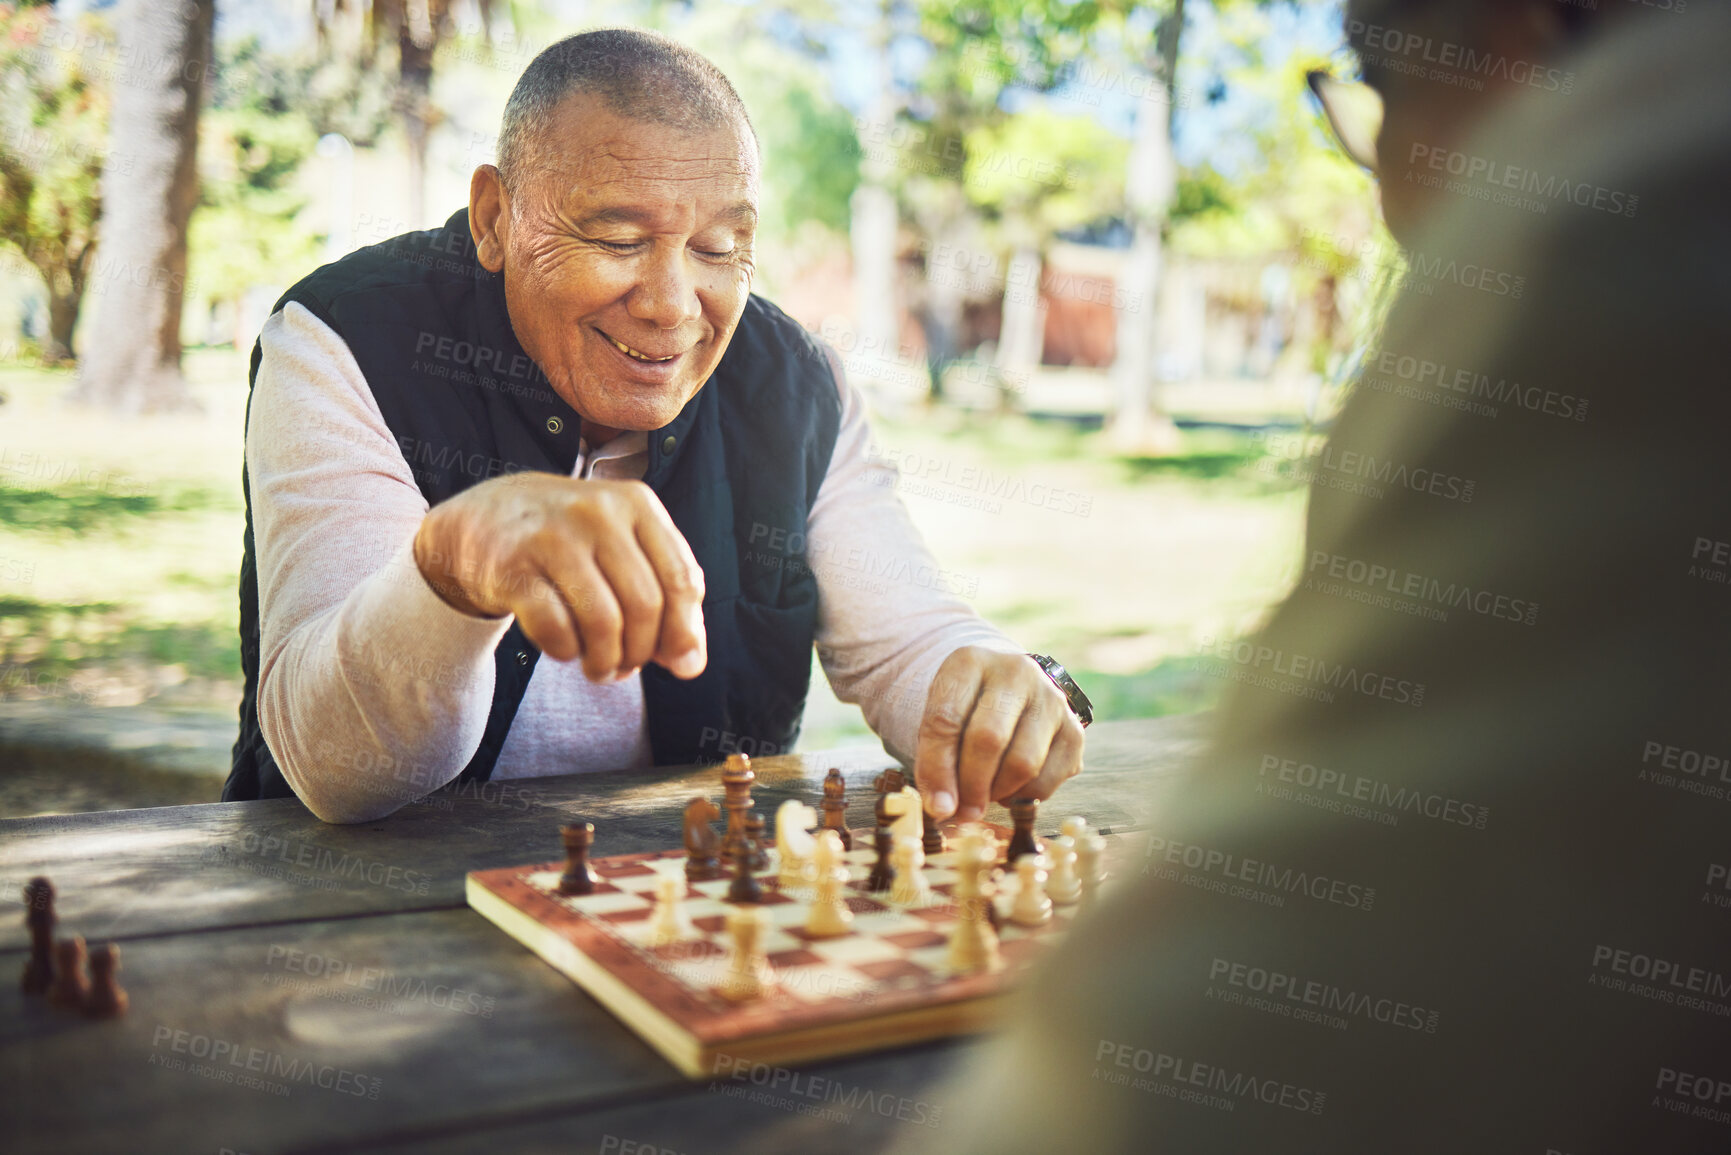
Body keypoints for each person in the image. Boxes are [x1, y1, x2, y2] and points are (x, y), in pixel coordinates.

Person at [930, 1, 1731, 1151]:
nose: (1388, 191)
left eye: (1378, 85)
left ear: (1507, 44)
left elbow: (1163, 1088)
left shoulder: (1624, 217)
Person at [222, 29, 1091, 824]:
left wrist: (985, 686)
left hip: (693, 931)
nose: (674, 307)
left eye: (718, 249)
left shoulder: (796, 384)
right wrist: (453, 567)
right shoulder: (346, 339)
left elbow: (911, 640)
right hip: (351, 927)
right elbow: (335, 770)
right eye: (616, 237)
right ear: (495, 218)